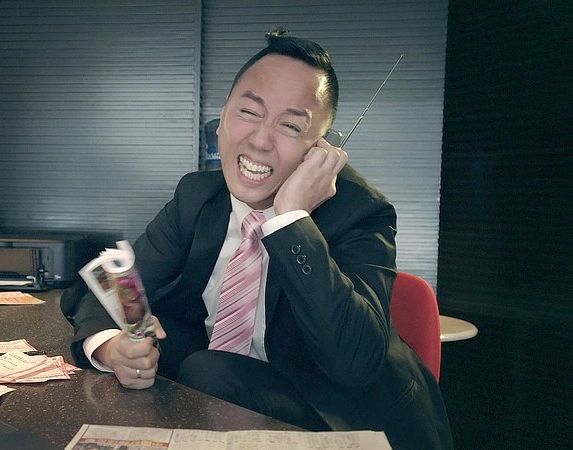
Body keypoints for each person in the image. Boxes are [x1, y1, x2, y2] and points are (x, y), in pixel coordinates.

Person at [63, 29, 453, 450]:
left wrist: (292, 220)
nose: (261, 140)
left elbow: (354, 364)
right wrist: (111, 347)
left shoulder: (359, 210)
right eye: (249, 112)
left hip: (341, 411)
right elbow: (118, 282)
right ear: (222, 120)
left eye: (290, 125)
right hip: (233, 388)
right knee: (181, 351)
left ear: (321, 149)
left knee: (207, 370)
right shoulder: (198, 195)